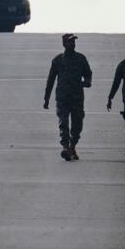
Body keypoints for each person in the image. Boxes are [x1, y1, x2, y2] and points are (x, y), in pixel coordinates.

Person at [43, 33, 93, 161]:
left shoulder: (81, 58)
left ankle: (72, 145)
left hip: (77, 98)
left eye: (73, 42)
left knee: (78, 124)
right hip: (62, 97)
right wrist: (46, 98)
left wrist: (87, 82)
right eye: (70, 42)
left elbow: (88, 73)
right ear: (64, 44)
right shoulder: (57, 60)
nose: (72, 44)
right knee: (63, 123)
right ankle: (65, 147)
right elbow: (51, 80)